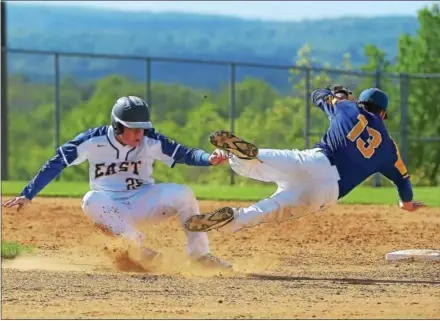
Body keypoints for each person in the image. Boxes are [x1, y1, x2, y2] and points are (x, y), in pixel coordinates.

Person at [2, 96, 232, 270]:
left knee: (184, 194)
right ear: (117, 126)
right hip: (111, 210)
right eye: (134, 128)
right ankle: (137, 248)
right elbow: (56, 163)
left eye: (143, 127)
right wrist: (28, 194)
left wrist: (209, 159)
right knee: (90, 198)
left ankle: (200, 254)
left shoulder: (150, 139)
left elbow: (185, 154)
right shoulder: (92, 140)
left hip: (144, 201)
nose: (140, 133)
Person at [184, 86, 425, 233]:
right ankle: (233, 220)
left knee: (260, 160)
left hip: (314, 161)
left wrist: (338, 95)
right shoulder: (389, 148)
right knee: (268, 210)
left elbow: (317, 95)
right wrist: (407, 203)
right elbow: (403, 180)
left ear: (361, 103)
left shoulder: (347, 108)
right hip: (328, 191)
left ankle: (241, 158)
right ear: (382, 113)